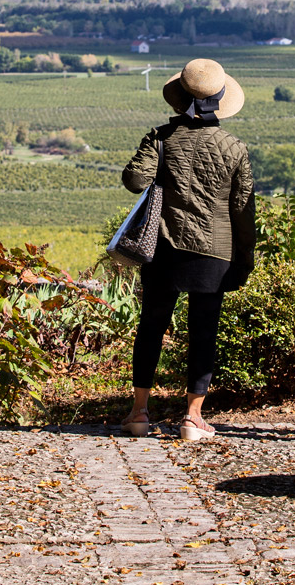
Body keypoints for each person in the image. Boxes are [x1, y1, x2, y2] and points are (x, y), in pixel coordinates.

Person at [119, 57, 256, 441]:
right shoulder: (234, 148)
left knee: (151, 326)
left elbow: (134, 180)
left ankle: (139, 412)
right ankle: (192, 419)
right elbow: (244, 212)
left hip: (163, 248)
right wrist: (244, 259)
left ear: (179, 97)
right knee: (204, 332)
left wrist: (158, 158)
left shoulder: (161, 137)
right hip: (215, 253)